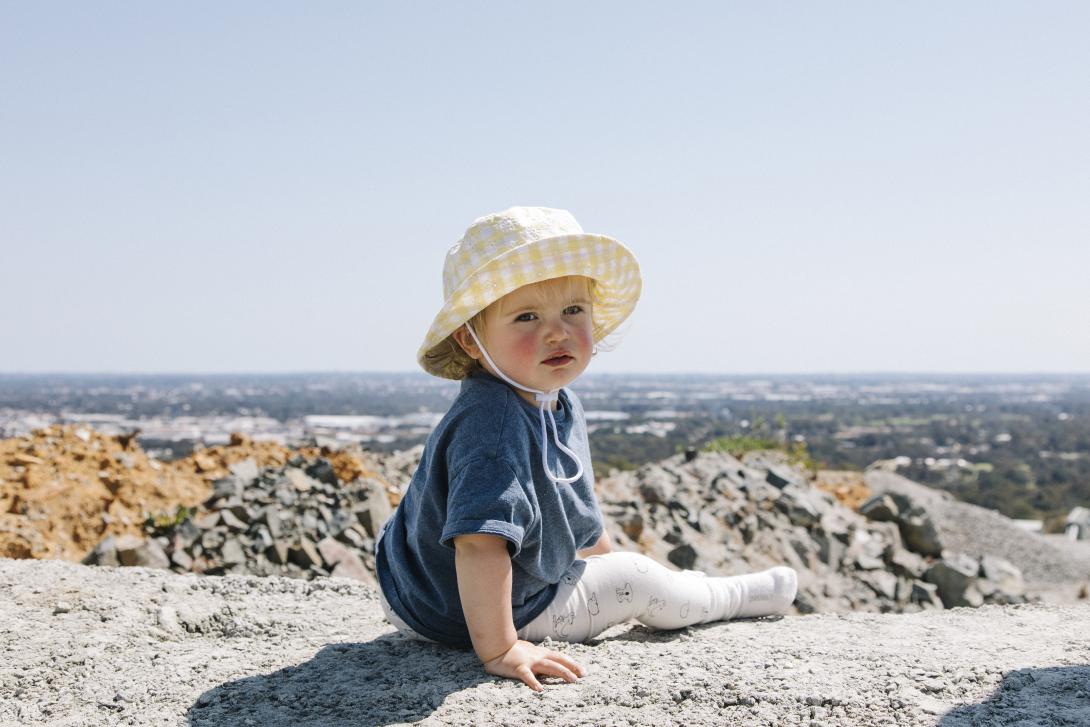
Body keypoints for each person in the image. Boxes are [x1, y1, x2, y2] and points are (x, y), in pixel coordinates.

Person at [375, 206, 798, 691]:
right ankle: (731, 596)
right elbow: (478, 542)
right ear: (470, 340)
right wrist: (501, 649)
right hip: (461, 614)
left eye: (573, 310)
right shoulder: (491, 427)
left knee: (613, 570)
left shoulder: (556, 403)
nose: (556, 331)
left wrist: (596, 567)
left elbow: (575, 510)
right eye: (527, 316)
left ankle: (680, 585)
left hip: (414, 589)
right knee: (639, 580)